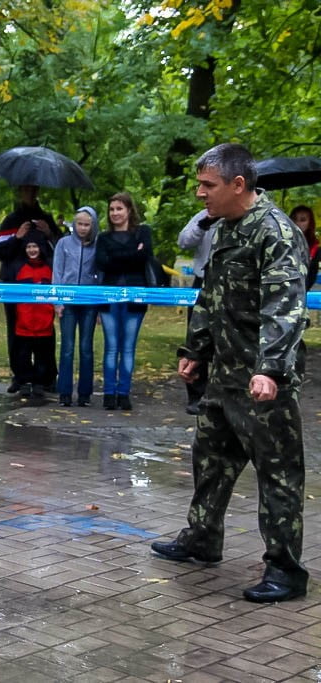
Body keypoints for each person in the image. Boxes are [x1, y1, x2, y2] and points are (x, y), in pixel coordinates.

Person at [151, 143, 310, 604]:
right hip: (224, 374)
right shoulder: (225, 230)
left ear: (238, 185)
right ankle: (202, 537)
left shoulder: (276, 233)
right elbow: (210, 295)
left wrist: (272, 370)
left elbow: (286, 309)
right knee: (211, 458)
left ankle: (285, 570)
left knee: (278, 473)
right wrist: (195, 349)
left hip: (264, 383)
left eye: (208, 185)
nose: (200, 194)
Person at [0, 185, 63, 394]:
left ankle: (47, 377)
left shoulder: (46, 219)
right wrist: (17, 237)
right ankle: (21, 376)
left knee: (45, 330)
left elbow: (62, 248)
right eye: (26, 190)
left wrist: (50, 233)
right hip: (14, 283)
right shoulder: (11, 220)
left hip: (43, 281)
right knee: (16, 332)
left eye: (33, 190)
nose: (30, 194)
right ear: (20, 192)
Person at [94, 192, 154, 411]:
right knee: (111, 346)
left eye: (119, 208)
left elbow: (144, 257)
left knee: (128, 347)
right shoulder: (103, 238)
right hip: (108, 298)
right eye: (112, 209)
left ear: (129, 210)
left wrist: (118, 257)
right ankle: (109, 393)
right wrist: (130, 255)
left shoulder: (143, 232)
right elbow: (102, 263)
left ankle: (124, 393)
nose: (115, 213)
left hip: (135, 299)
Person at [53, 206, 100, 407]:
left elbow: (101, 277)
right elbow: (57, 272)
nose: (82, 228)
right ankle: (64, 391)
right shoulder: (63, 244)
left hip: (89, 303)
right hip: (68, 301)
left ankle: (84, 393)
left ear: (93, 226)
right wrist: (57, 302)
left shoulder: (98, 245)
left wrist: (99, 305)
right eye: (79, 224)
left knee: (86, 347)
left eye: (86, 224)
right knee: (67, 347)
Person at [177, 208, 215, 415]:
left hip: (232, 281)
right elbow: (183, 241)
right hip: (203, 281)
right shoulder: (204, 215)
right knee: (196, 338)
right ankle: (196, 395)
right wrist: (203, 224)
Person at [9, 232, 56, 398]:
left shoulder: (49, 268)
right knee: (23, 356)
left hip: (44, 322)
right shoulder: (19, 268)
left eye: (35, 246)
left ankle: (39, 383)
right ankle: (24, 381)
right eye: (29, 246)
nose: (32, 250)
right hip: (24, 322)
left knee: (43, 356)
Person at [289, 205, 318, 289]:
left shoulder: (315, 247)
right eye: (294, 219)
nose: (297, 223)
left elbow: (311, 277)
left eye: (303, 220)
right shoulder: (282, 241)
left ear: (310, 223)